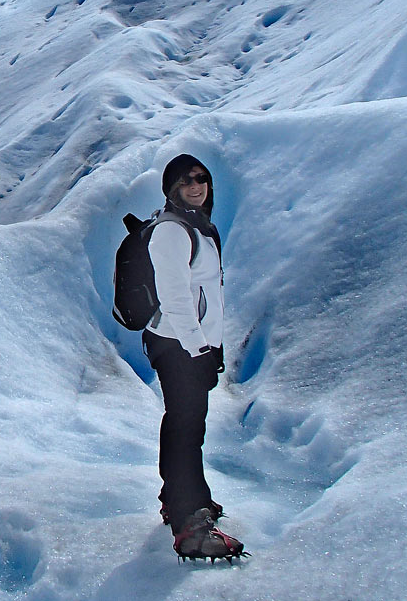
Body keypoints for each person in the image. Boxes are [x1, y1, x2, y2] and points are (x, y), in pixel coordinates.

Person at [143, 154, 246, 560]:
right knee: (187, 428)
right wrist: (197, 347)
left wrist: (210, 345)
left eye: (201, 179)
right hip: (178, 343)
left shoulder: (197, 227)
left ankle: (183, 498)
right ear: (171, 188)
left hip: (189, 342)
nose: (196, 186)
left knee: (186, 422)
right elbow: (175, 298)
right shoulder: (172, 231)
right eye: (185, 181)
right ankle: (191, 523)